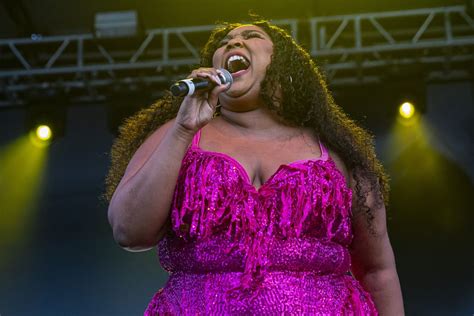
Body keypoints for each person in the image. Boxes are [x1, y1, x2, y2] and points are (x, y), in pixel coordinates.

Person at [105, 18, 404, 315]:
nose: (233, 43)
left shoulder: (337, 151)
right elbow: (128, 230)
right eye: (223, 43)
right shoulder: (180, 135)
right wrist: (183, 129)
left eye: (250, 36)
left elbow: (378, 271)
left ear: (284, 64)